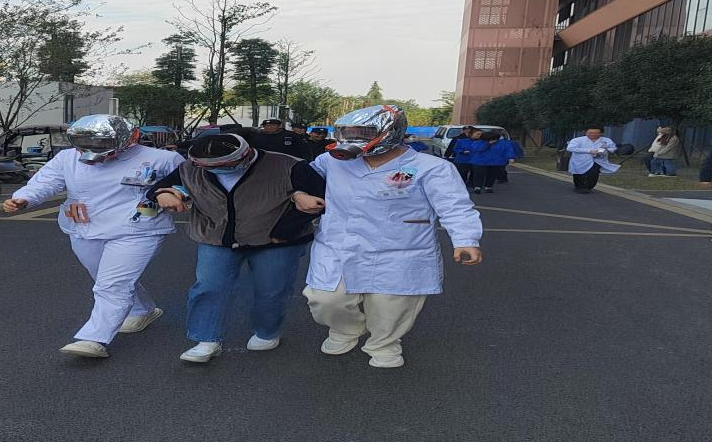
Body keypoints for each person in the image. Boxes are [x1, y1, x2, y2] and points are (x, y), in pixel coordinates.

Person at [302, 105, 483, 369]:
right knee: (325, 299)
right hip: (339, 244)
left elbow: (454, 206)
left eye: (364, 133)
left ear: (390, 132)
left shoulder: (430, 167)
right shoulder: (332, 161)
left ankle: (384, 343)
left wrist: (466, 239)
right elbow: (302, 179)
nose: (354, 139)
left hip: (399, 248)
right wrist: (299, 195)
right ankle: (346, 329)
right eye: (348, 133)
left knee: (391, 306)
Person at [3, 114, 184, 358]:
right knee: (104, 277)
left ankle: (94, 338)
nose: (94, 151)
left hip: (137, 229)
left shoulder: (162, 159)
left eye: (102, 145)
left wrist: (174, 193)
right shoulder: (68, 158)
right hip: (83, 227)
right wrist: (24, 198)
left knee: (112, 284)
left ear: (126, 139)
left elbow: (190, 182)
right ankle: (142, 311)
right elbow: (46, 182)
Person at [150, 130, 322, 364]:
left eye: (226, 165)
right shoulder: (190, 168)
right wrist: (163, 194)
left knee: (272, 290)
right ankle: (206, 339)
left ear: (246, 154)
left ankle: (267, 331)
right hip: (216, 237)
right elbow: (160, 188)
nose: (218, 170)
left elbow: (320, 199)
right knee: (208, 287)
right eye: (210, 167)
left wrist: (285, 230)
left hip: (275, 240)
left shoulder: (287, 164)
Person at [565, 127, 619, 193]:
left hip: (598, 160)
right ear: (585, 132)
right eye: (590, 133)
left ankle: (588, 187)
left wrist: (606, 149)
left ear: (601, 133)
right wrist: (589, 151)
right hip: (581, 160)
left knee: (593, 173)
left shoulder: (606, 140)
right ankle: (579, 187)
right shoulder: (577, 140)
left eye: (596, 133)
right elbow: (570, 148)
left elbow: (613, 148)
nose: (593, 135)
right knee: (579, 174)